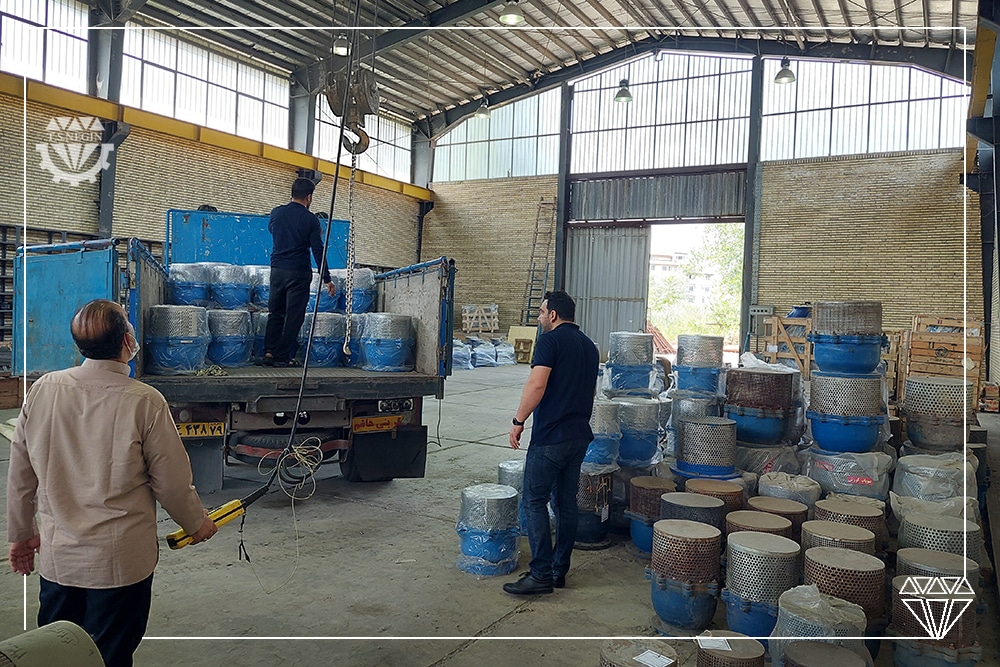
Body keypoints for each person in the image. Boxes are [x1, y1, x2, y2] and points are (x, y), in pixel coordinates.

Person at [7, 299, 218, 667]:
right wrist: (196, 523)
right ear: (126, 341)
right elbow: (171, 483)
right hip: (119, 564)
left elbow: (21, 474)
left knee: (56, 654)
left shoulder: (44, 389)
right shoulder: (145, 401)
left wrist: (22, 534)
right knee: (110, 656)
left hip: (60, 560)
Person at [503, 290, 599, 595]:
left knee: (534, 500)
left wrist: (518, 420)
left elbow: (537, 384)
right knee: (565, 504)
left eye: (542, 312)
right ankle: (559, 571)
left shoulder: (550, 341)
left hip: (551, 438)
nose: (539, 317)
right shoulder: (589, 346)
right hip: (578, 436)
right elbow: (591, 392)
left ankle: (540, 574)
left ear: (553, 315)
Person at [263, 177, 336, 366]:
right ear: (309, 197)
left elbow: (273, 231)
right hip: (298, 272)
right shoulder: (310, 220)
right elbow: (317, 250)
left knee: (275, 312)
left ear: (292, 193)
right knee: (294, 316)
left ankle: (269, 352)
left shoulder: (276, 213)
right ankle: (283, 356)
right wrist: (326, 278)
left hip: (277, 270)